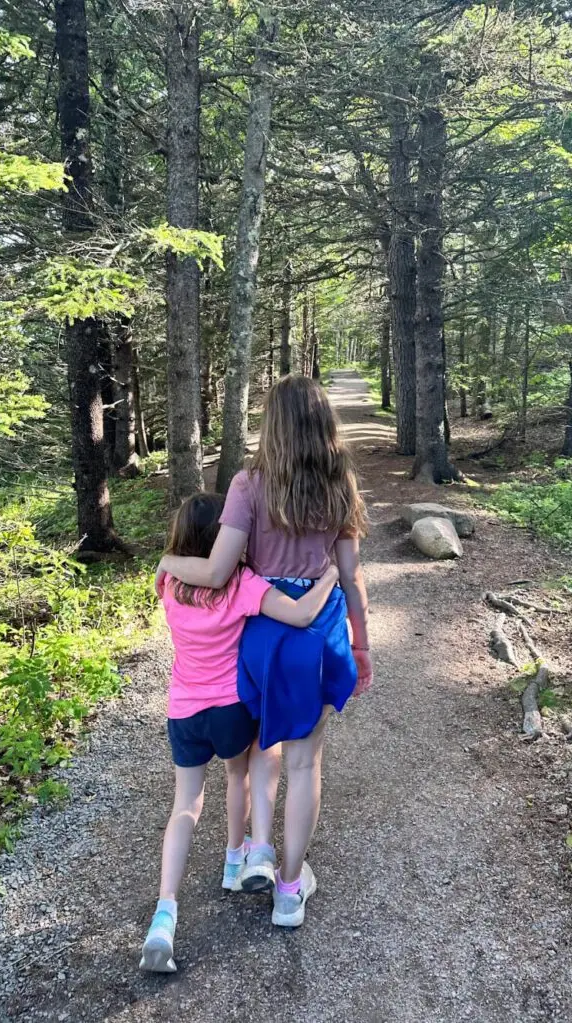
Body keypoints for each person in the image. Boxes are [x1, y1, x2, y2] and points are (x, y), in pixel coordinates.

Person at [154, 374, 372, 929]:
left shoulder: (249, 486)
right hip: (316, 635)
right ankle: (289, 891)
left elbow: (220, 570)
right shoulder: (339, 484)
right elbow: (349, 575)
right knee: (304, 761)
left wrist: (168, 563)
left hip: (260, 633)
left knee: (258, 748)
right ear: (324, 424)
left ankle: (256, 848)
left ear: (272, 424)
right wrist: (361, 644)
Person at [141, 492, 341, 973]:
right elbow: (299, 615)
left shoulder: (168, 582)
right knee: (243, 773)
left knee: (185, 805)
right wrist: (331, 575)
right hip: (229, 709)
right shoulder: (242, 583)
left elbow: (164, 578)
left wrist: (168, 560)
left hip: (183, 710)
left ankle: (164, 913)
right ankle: (238, 860)